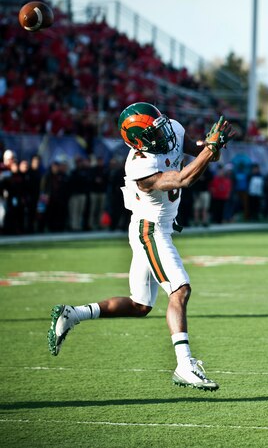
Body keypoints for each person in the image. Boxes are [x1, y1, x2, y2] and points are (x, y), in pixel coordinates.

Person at [47, 102, 235, 390]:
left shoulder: (172, 128)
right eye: (154, 133)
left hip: (154, 228)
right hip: (151, 230)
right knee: (180, 289)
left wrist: (213, 145)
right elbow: (184, 178)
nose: (164, 135)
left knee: (140, 305)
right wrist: (210, 150)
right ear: (138, 141)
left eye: (160, 127)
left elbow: (206, 156)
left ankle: (74, 314)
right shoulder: (139, 166)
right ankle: (184, 364)